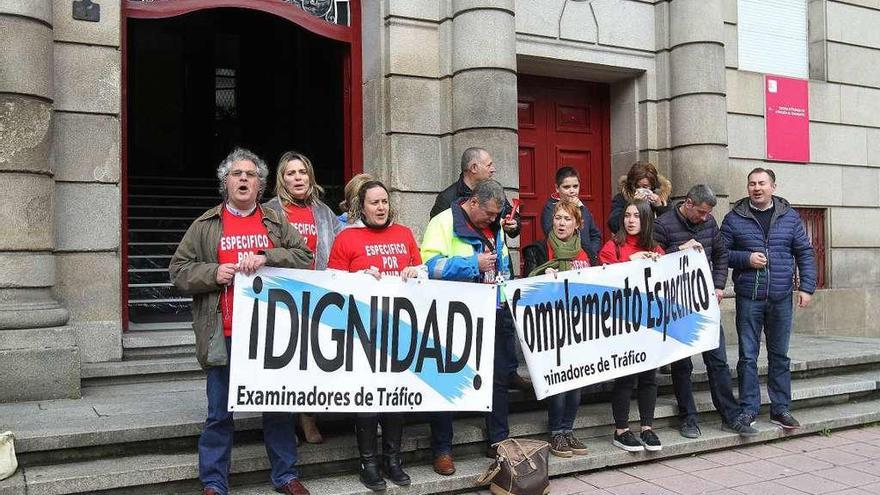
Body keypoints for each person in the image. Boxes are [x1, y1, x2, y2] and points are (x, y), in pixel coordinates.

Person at [169, 148, 313, 495]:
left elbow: (304, 256)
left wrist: (266, 256)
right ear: (226, 183)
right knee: (220, 411)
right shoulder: (205, 225)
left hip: (270, 334)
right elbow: (178, 271)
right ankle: (214, 482)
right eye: (237, 174)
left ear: (260, 184)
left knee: (278, 407)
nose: (244, 179)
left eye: (250, 174)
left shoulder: (275, 222)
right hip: (224, 332)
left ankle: (286, 476)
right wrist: (213, 273)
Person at [327, 180, 422, 491]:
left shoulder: (404, 234)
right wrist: (358, 278)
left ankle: (393, 460)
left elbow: (423, 274)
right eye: (374, 203)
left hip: (399, 332)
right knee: (368, 399)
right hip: (362, 334)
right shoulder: (347, 238)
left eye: (384, 202)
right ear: (361, 207)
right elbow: (332, 282)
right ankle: (368, 464)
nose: (381, 208)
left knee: (395, 398)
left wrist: (415, 273)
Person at [420, 179, 517, 475]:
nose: (493, 220)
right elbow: (430, 267)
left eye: (496, 215)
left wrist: (506, 301)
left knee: (498, 378)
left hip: (493, 310)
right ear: (473, 202)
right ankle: (442, 450)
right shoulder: (442, 222)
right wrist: (473, 263)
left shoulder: (495, 224)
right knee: (446, 379)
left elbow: (502, 265)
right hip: (453, 314)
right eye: (489, 214)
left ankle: (498, 440)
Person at [653, 185, 759, 438]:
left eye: (708, 213)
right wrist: (679, 250)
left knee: (718, 360)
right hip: (676, 305)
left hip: (704, 302)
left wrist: (719, 285)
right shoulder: (663, 224)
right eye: (701, 212)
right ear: (688, 203)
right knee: (682, 364)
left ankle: (730, 415)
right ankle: (688, 418)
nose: (705, 217)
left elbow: (721, 255)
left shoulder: (709, 223)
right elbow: (653, 260)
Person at [429, 147, 531, 394]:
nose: (493, 168)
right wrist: (473, 264)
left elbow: (511, 223)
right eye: (489, 164)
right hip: (463, 298)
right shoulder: (446, 199)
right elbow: (437, 250)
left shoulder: (495, 191)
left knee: (504, 338)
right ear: (473, 168)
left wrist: (513, 226)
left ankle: (509, 373)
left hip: (495, 287)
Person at [721, 168, 816, 430]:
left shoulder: (789, 216)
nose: (757, 188)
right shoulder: (734, 218)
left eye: (762, 183)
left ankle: (781, 409)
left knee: (779, 355)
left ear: (773, 186)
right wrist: (746, 259)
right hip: (749, 297)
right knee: (747, 357)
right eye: (752, 183)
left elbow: (805, 252)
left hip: (781, 296)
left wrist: (807, 287)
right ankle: (748, 409)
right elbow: (721, 253)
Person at [264, 151, 341, 444]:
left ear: (310, 176)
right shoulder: (269, 210)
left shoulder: (323, 212)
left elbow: (343, 242)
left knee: (311, 361)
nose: (298, 178)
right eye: (290, 173)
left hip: (317, 296)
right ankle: (284, 424)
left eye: (302, 172)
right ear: (281, 179)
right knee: (283, 361)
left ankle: (308, 417)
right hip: (282, 295)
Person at [523, 200, 591, 458]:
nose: (561, 223)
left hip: (579, 326)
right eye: (558, 218)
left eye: (567, 219)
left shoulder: (586, 253)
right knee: (559, 382)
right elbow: (526, 287)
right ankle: (556, 432)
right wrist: (543, 278)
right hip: (551, 327)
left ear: (577, 224)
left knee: (576, 383)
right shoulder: (539, 250)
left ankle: (568, 429)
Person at [598, 200, 664, 453]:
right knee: (625, 377)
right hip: (622, 323)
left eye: (637, 216)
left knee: (649, 377)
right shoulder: (612, 246)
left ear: (646, 220)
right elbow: (602, 280)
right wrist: (631, 261)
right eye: (627, 215)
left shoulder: (655, 248)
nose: (631, 220)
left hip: (648, 323)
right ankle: (621, 430)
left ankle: (647, 427)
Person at [540, 166, 601, 264]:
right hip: (562, 258)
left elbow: (595, 235)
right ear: (557, 188)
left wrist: (591, 252)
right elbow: (552, 234)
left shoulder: (582, 207)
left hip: (585, 259)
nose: (572, 191)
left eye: (575, 186)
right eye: (566, 187)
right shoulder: (550, 208)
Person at [607, 161, 671, 232]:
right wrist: (632, 204)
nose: (641, 190)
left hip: (656, 237)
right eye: (637, 186)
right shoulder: (622, 198)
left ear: (652, 186)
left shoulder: (662, 198)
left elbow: (671, 226)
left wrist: (660, 207)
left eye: (645, 187)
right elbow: (614, 225)